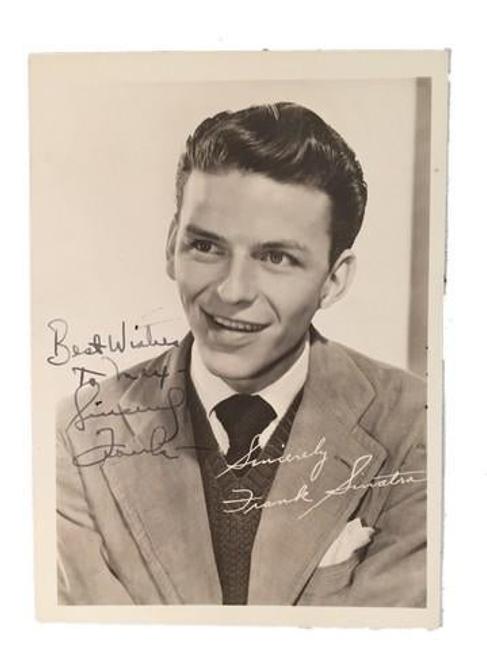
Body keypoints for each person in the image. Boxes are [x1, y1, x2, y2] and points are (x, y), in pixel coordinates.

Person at [56, 102, 427, 607]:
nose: (231, 292)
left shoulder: (420, 427)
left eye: (276, 258)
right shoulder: (77, 434)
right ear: (171, 246)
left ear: (334, 280)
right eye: (207, 247)